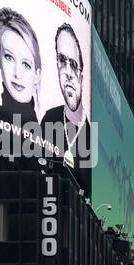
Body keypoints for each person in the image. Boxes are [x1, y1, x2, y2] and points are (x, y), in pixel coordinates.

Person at [40, 23, 91, 168]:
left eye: (74, 64)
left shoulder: (93, 136)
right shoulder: (48, 119)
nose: (67, 73)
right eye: (62, 60)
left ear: (81, 78)